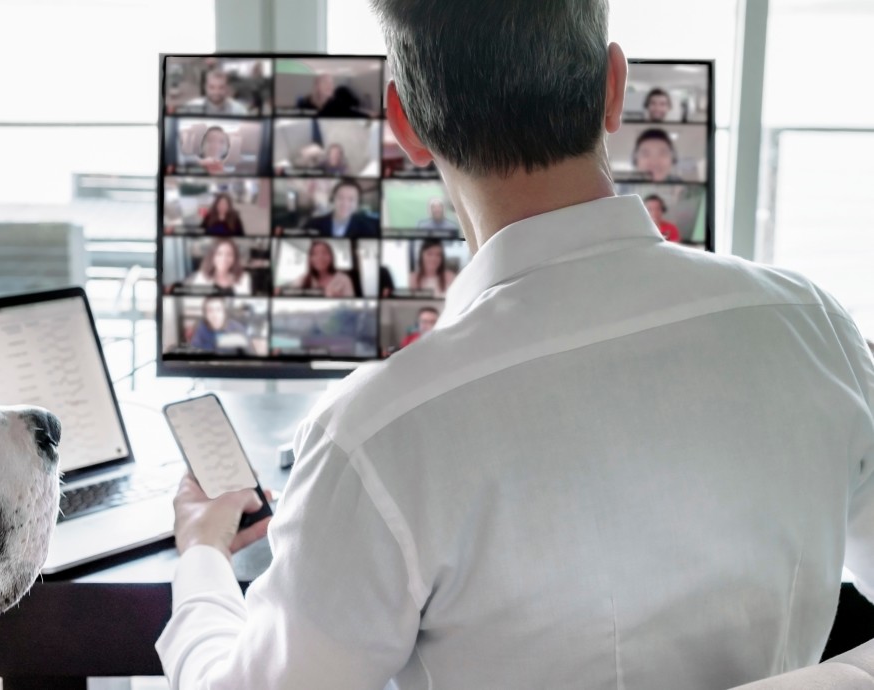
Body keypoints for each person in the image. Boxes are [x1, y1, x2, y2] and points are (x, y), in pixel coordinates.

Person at [159, 1, 874, 688]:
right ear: (614, 88)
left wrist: (201, 559)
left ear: (403, 122)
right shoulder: (815, 328)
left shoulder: (376, 437)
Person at [303, 179, 380, 238]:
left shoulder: (368, 228)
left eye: (351, 199)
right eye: (340, 197)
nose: (345, 204)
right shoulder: (313, 224)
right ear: (333, 199)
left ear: (357, 204)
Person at [186, 238, 252, 296]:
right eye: (219, 254)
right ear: (212, 256)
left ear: (234, 258)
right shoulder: (201, 278)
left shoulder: (244, 277)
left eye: (229, 254)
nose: (224, 258)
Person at [289, 240, 354, 298]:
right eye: (315, 254)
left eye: (324, 253)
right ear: (310, 259)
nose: (320, 257)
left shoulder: (344, 280)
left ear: (331, 257)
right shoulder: (301, 280)